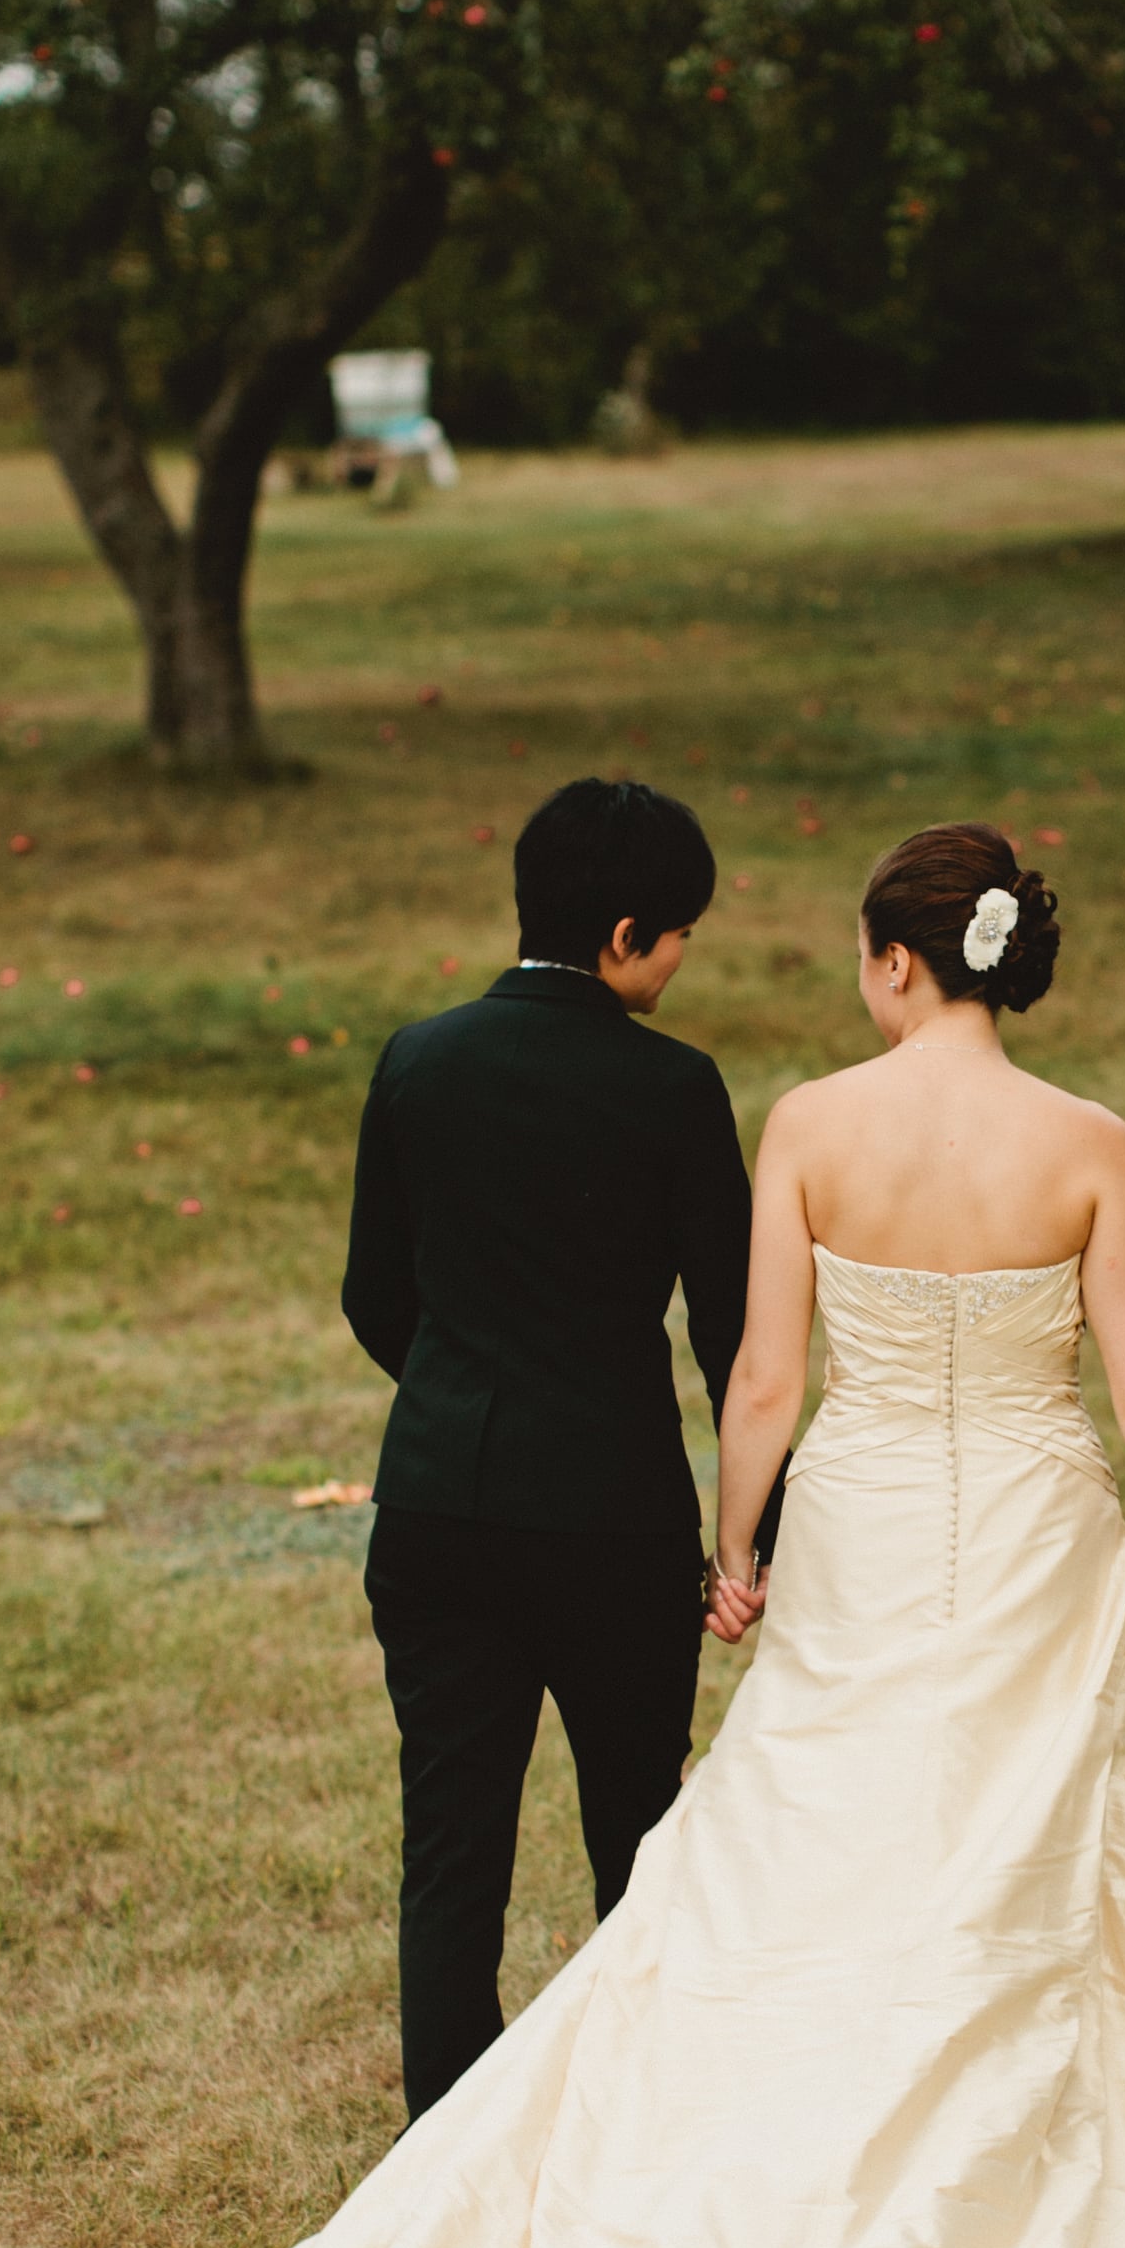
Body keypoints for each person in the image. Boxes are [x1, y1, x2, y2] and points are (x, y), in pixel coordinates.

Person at [101, 821, 1125, 2248]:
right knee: (1011, 1868)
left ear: (898, 965)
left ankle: (725, 2169)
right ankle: (990, 2203)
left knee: (801, 1853)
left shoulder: (811, 1122)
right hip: (1040, 1546)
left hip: (868, 1534)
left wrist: (740, 1547)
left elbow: (760, 1379)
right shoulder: (1092, 1145)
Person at [340, 776, 761, 2118]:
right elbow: (733, 1334)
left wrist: (469, 1389)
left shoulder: (419, 1058)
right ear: (628, 932)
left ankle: (442, 2155)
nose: (685, 957)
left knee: (451, 1850)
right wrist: (757, 1527)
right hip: (613, 1522)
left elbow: (373, 1295)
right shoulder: (675, 1088)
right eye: (682, 931)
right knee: (637, 1834)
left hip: (439, 1511)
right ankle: (634, 2128)